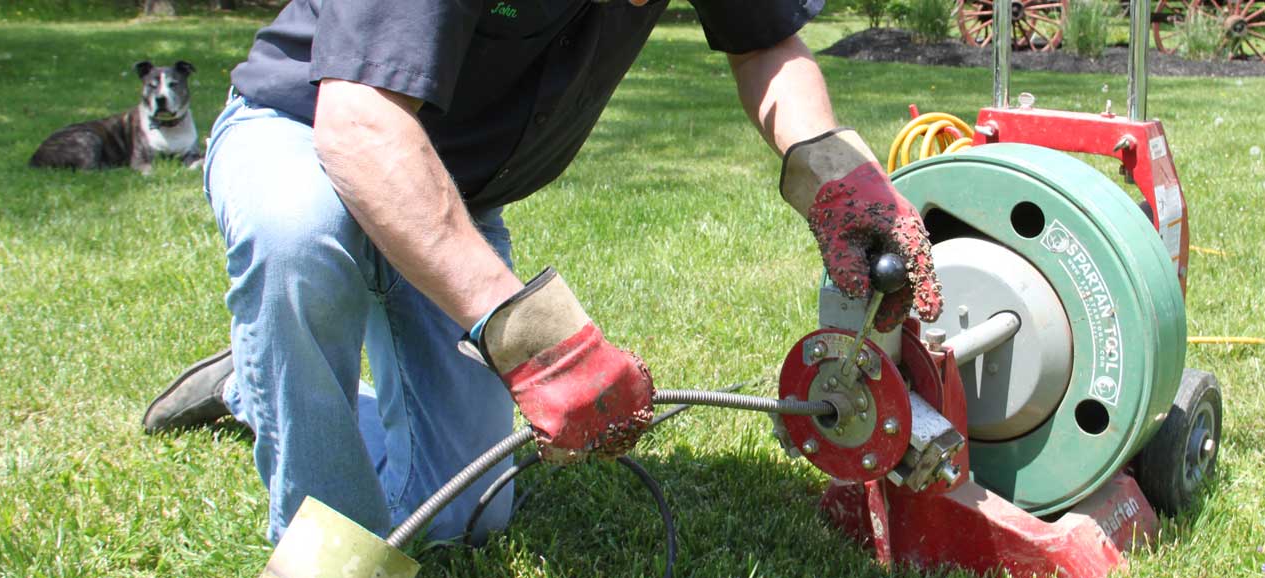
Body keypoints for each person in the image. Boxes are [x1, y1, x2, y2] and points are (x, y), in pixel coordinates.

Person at [141, 0, 944, 546]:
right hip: (310, 135)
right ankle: (325, 557)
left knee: (465, 517)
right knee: (298, 240)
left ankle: (258, 385)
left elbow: (766, 44)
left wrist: (833, 171)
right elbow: (361, 132)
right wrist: (539, 345)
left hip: (450, 198)